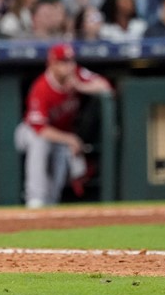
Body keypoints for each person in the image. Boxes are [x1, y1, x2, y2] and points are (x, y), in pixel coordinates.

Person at [15, 43, 113, 208]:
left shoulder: (77, 75)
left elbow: (105, 86)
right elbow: (40, 129)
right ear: (52, 63)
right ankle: (35, 199)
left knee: (59, 163)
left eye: (70, 61)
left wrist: (81, 86)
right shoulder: (41, 87)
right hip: (29, 132)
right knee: (40, 143)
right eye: (63, 62)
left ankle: (51, 202)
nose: (69, 66)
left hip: (61, 136)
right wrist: (71, 139)